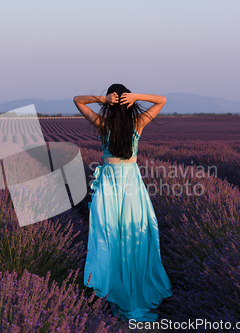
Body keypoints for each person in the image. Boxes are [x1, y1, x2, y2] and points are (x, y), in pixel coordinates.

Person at [73, 83, 173, 322]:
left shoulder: (102, 123)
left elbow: (77, 100)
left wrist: (102, 100)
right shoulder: (137, 124)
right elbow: (162, 100)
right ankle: (133, 290)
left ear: (110, 103)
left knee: (109, 235)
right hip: (130, 182)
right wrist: (137, 96)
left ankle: (113, 293)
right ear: (128, 102)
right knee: (134, 234)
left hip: (109, 182)